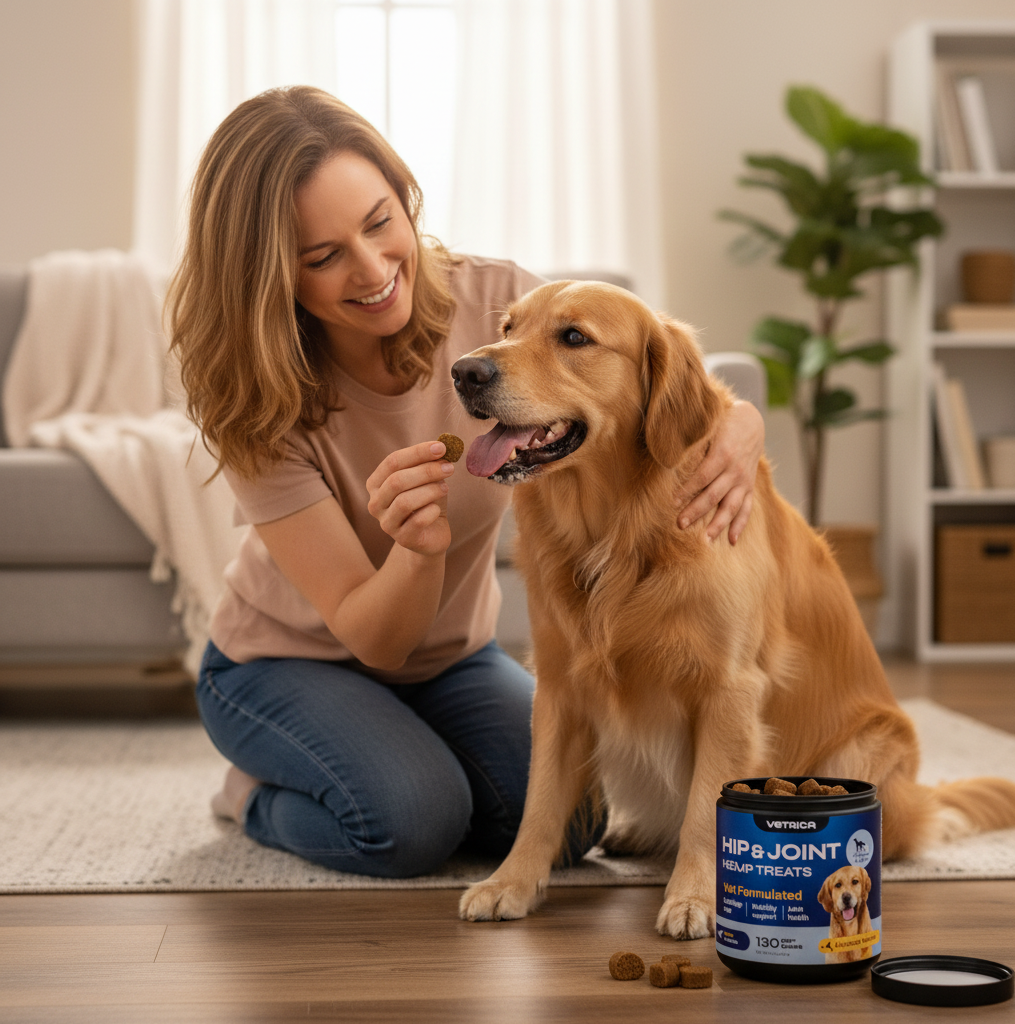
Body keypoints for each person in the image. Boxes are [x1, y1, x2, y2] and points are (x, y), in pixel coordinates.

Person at [168, 85, 765, 879]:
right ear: (270, 275)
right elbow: (376, 638)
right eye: (322, 257)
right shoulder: (256, 397)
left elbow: (644, 373)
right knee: (411, 822)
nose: (374, 270)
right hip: (283, 664)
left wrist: (742, 423)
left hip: (451, 659)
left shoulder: (500, 303)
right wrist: (418, 548)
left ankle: (401, 752)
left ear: (404, 196)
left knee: (574, 821)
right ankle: (251, 796)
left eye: (380, 222)